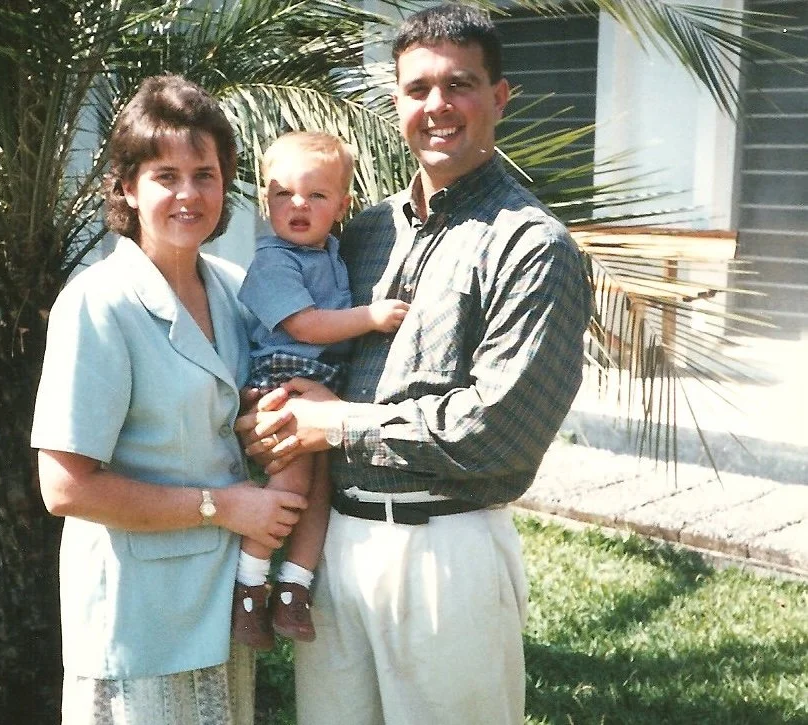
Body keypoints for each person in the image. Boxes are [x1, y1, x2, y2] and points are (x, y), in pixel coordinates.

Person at [236, 5, 592, 724]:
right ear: (396, 102)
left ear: (499, 97)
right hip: (334, 547)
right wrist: (271, 411)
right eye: (417, 89)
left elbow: (496, 430)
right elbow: (309, 355)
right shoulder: (359, 232)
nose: (437, 107)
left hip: (446, 552)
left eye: (459, 84)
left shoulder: (533, 247)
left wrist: (333, 423)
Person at [31, 74, 307, 725]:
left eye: (205, 174)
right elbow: (64, 488)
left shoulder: (241, 293)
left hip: (221, 607)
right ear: (126, 186)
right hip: (138, 618)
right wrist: (223, 505)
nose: (189, 194)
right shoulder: (97, 304)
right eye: (166, 175)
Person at [232, 131, 410, 650]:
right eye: (283, 193)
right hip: (283, 384)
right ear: (266, 201)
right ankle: (249, 589)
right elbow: (306, 326)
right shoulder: (274, 261)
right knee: (288, 488)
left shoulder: (332, 253)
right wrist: (371, 317)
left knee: (318, 496)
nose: (298, 205)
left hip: (323, 391)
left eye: (316, 195)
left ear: (342, 206)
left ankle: (295, 589)